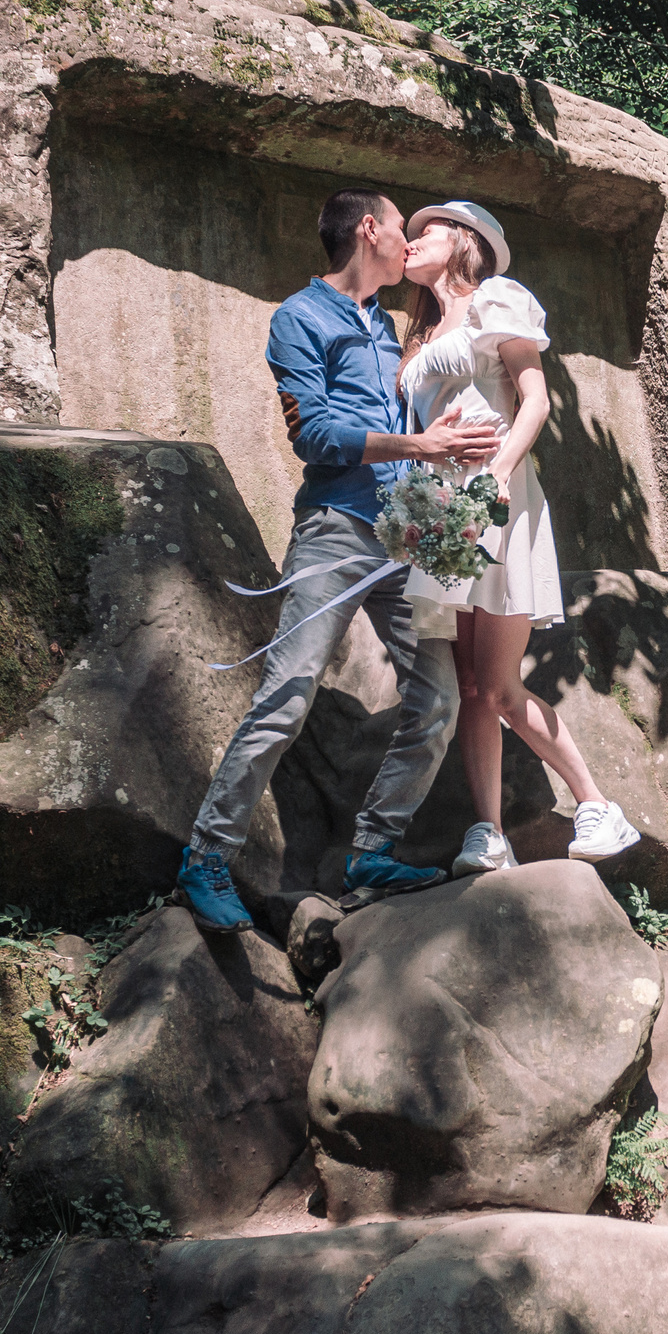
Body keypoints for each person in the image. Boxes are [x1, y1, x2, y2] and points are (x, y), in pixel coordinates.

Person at [173, 188, 500, 934]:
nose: (407, 240)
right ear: (368, 229)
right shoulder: (298, 318)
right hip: (335, 531)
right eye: (400, 226)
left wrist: (443, 444)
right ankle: (206, 857)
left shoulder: (389, 325)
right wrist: (421, 445)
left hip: (402, 538)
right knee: (287, 697)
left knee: (438, 699)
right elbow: (315, 436)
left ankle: (372, 852)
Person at [395, 199, 639, 874]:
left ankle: (598, 806)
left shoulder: (497, 298)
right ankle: (488, 832)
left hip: (496, 496)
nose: (411, 241)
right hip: (441, 505)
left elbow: (535, 399)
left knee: (500, 685)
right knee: (472, 686)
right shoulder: (419, 334)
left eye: (425, 232)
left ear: (464, 241)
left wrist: (498, 474)